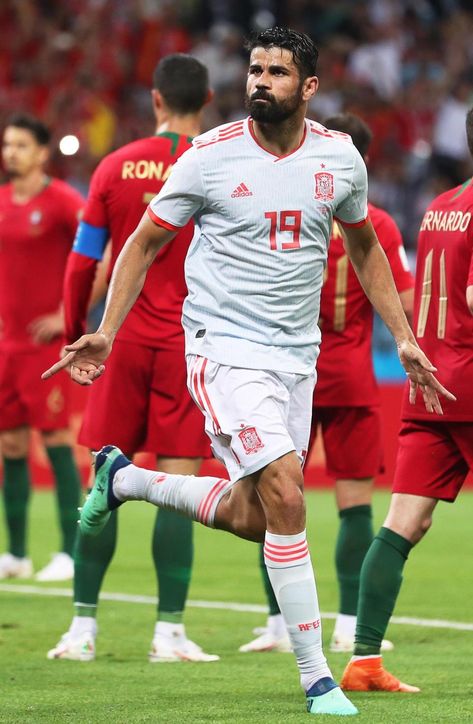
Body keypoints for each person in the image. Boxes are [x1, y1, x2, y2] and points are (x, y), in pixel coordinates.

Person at [43, 27, 453, 718]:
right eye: (254, 70)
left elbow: (363, 248)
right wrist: (105, 332)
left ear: (309, 87)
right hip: (221, 348)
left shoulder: (337, 157)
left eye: (277, 72)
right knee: (290, 496)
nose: (259, 81)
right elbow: (142, 242)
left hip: (297, 358)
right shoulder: (208, 157)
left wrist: (404, 336)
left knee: (260, 516)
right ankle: (318, 677)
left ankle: (128, 478)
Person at [47, 54, 217, 663]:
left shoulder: (115, 165)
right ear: (209, 98)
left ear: (154, 99)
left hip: (120, 342)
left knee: (105, 479)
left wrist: (76, 332)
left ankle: (82, 629)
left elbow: (83, 260)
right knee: (176, 484)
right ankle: (169, 633)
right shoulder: (219, 162)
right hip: (189, 346)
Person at [239, 113, 415, 656]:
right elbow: (405, 301)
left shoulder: (288, 212)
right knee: (354, 506)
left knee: (273, 499)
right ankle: (346, 621)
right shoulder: (379, 225)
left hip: (289, 371)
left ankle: (275, 623)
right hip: (352, 376)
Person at [340, 107, 473, 694]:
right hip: (470, 381)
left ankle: (364, 661)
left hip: (429, 383)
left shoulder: (440, 205)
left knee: (401, 525)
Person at [0, 114, 83, 582]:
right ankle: (15, 553)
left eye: (20, 145)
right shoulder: (2, 201)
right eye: (7, 144)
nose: (10, 152)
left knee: (54, 440)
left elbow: (102, 252)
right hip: (7, 346)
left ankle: (69, 552)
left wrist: (65, 315)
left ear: (41, 153)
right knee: (10, 444)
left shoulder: (62, 201)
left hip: (44, 348)